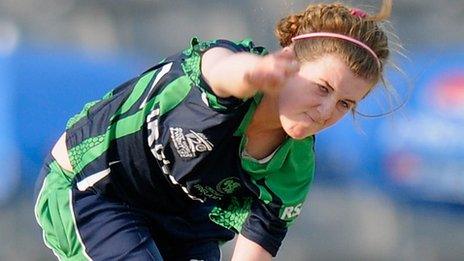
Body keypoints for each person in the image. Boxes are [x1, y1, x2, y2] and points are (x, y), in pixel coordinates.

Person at [34, 0, 394, 260]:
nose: (326, 112)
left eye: (346, 104)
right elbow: (223, 72)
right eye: (322, 88)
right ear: (289, 60)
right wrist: (253, 73)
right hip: (95, 188)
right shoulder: (225, 68)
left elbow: (257, 246)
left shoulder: (293, 166)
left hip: (183, 230)